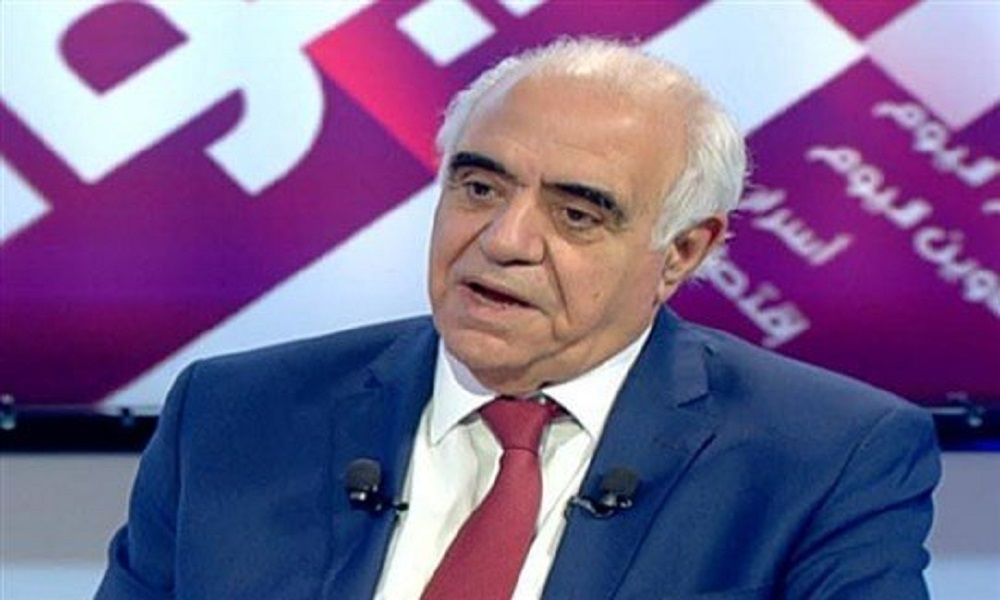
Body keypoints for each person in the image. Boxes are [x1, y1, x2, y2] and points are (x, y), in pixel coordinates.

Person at [96, 38, 940, 599]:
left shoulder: (829, 456)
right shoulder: (233, 415)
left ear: (683, 251)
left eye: (577, 215)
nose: (503, 241)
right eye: (479, 187)